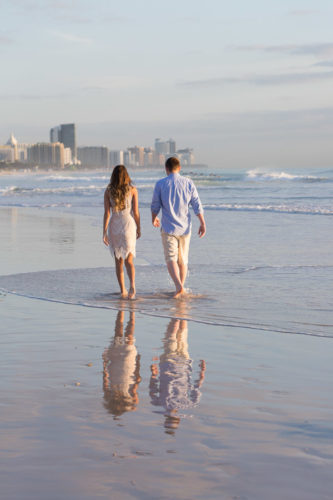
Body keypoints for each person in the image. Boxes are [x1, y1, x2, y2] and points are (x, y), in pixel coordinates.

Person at [151, 156, 206, 298]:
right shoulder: (188, 183)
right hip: (185, 228)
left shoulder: (161, 184)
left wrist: (154, 217)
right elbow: (196, 204)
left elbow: (155, 204)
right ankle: (180, 288)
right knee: (183, 260)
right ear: (179, 168)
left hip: (168, 228)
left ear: (166, 169)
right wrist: (202, 222)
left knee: (171, 259)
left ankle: (179, 288)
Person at [103, 165, 141, 299]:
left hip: (114, 225)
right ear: (126, 175)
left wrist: (104, 232)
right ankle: (132, 287)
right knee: (129, 260)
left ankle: (123, 291)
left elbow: (107, 213)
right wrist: (139, 227)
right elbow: (135, 212)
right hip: (128, 225)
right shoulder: (133, 190)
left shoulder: (108, 191)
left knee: (118, 261)